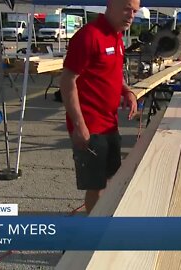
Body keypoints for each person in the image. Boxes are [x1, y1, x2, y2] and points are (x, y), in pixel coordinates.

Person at [59, 0, 139, 214]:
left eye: (135, 11)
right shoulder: (89, 36)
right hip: (90, 125)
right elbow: (67, 81)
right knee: (96, 186)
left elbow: (112, 72)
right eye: (126, 8)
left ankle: (104, 220)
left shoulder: (118, 36)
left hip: (109, 123)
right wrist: (79, 126)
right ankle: (96, 232)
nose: (131, 15)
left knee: (111, 175)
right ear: (110, 4)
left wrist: (127, 91)